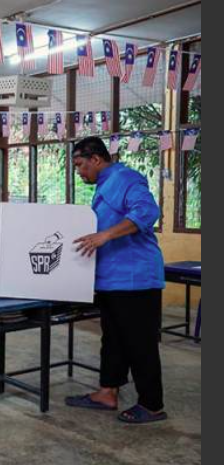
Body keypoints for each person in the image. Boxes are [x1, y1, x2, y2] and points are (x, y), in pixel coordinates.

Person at [65, 137, 167, 424]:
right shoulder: (104, 186)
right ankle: (107, 392)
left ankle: (152, 404)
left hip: (136, 279)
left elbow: (147, 212)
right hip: (112, 280)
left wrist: (105, 235)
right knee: (113, 340)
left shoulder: (125, 177)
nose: (78, 171)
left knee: (140, 343)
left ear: (96, 159)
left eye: (80, 164)